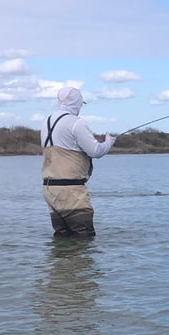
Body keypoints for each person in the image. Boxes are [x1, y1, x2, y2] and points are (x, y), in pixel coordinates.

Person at [40, 87, 116, 237]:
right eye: (81, 104)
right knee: (84, 238)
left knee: (62, 237)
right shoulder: (76, 123)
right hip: (71, 191)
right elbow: (95, 151)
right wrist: (109, 142)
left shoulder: (46, 123)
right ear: (77, 102)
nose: (81, 107)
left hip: (50, 190)